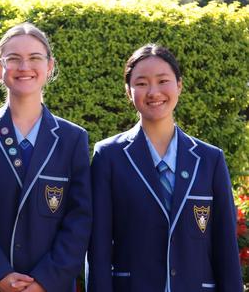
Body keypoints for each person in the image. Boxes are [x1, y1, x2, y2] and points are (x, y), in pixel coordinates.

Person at [87, 44, 243, 291]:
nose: (153, 91)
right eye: (141, 83)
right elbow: (99, 247)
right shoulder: (109, 156)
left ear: (179, 85)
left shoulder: (209, 159)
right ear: (128, 91)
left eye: (163, 81)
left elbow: (225, 247)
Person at [0, 22, 92, 292]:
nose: (24, 66)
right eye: (13, 59)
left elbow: (80, 219)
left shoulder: (72, 138)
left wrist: (45, 280)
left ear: (50, 66)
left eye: (35, 58)